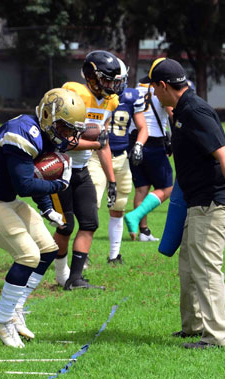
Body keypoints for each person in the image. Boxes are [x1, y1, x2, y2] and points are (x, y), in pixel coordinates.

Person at [140, 57, 225, 349]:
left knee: (205, 268)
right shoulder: (181, 110)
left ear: (163, 85)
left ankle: (218, 337)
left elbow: (223, 153)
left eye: (153, 87)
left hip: (212, 201)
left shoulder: (195, 110)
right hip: (195, 200)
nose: (152, 93)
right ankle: (193, 326)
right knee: (189, 265)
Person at [0, 88, 86, 347]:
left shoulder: (44, 135)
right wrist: (59, 187)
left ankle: (14, 310)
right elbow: (25, 184)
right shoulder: (23, 132)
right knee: (28, 256)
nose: (67, 136)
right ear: (46, 115)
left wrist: (47, 208)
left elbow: (34, 177)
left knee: (48, 249)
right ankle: (2, 319)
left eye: (71, 130)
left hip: (6, 200)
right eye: (64, 128)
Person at [53, 50, 123, 290]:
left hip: (81, 169)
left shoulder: (110, 102)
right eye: (107, 80)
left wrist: (111, 179)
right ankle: (61, 275)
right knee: (65, 226)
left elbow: (103, 143)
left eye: (115, 80)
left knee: (90, 222)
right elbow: (62, 140)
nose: (112, 85)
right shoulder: (75, 94)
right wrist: (95, 141)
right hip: (59, 169)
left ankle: (76, 278)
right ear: (92, 77)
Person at [87, 58, 149, 264]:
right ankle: (83, 255)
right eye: (115, 80)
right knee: (90, 205)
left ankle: (114, 255)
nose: (119, 84)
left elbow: (143, 128)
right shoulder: (92, 96)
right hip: (96, 157)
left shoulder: (131, 97)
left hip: (121, 157)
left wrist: (138, 145)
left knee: (119, 206)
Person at [124, 81, 174, 242]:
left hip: (133, 141)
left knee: (141, 189)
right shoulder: (161, 91)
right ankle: (135, 216)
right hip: (153, 142)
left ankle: (143, 232)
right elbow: (172, 115)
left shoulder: (135, 90)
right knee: (167, 187)